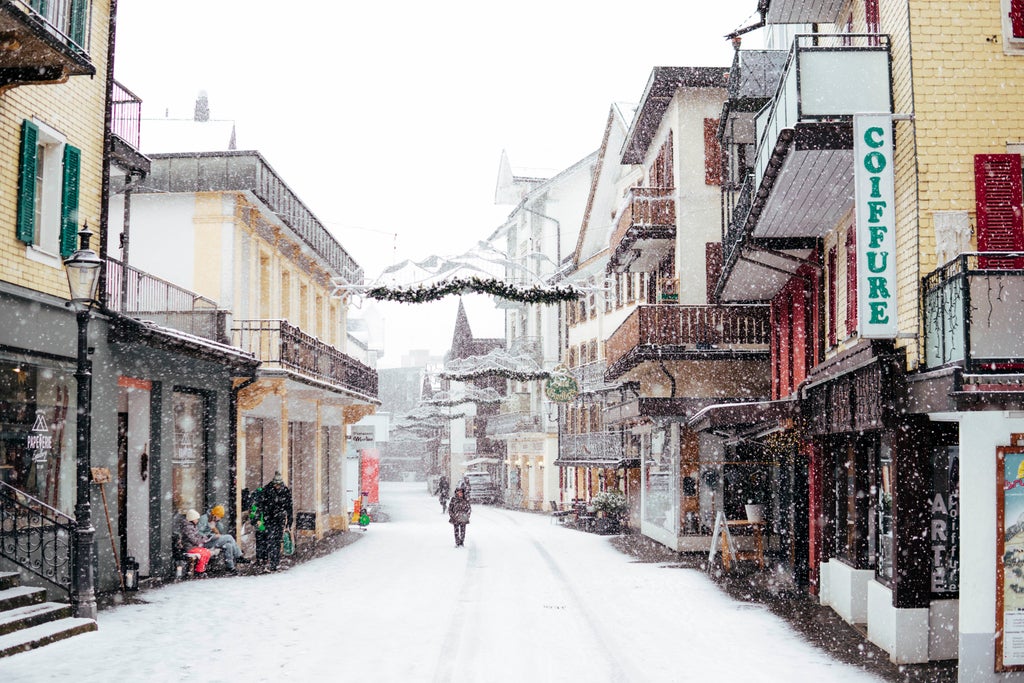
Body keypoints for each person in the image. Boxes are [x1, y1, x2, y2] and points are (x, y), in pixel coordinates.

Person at [250, 471, 293, 572]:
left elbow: (289, 507)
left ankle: (274, 562)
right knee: (271, 540)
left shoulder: (285, 491)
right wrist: (258, 518)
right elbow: (260, 504)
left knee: (277, 541)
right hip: (269, 519)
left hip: (279, 520)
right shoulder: (267, 490)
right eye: (276, 484)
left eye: (279, 484)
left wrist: (289, 520)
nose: (277, 486)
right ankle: (271, 562)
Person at [198, 504, 246, 572]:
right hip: (205, 542)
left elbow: (222, 531)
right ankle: (238, 556)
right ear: (215, 514)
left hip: (213, 540)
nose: (220, 518)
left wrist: (217, 523)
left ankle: (230, 567)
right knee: (229, 537)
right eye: (219, 517)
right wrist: (211, 535)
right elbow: (199, 533)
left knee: (228, 545)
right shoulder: (204, 519)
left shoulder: (214, 520)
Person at [180, 509, 212, 574]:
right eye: (196, 519)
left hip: (194, 546)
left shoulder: (193, 526)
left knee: (207, 552)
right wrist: (203, 539)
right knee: (203, 554)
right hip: (190, 547)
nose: (197, 521)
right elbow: (194, 539)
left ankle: (202, 568)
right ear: (192, 519)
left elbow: (197, 537)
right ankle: (199, 571)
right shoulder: (187, 528)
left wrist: (204, 538)